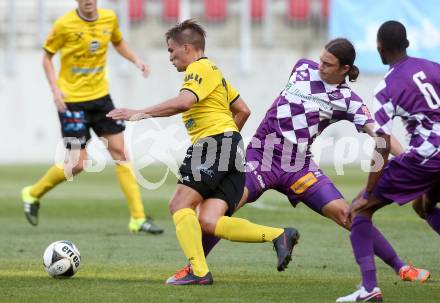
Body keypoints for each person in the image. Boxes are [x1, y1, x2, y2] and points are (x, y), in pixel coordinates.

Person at [167, 38, 429, 286]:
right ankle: (196, 267)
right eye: (321, 60)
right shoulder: (303, 67)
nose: (320, 67)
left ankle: (402, 267)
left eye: (328, 64)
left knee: (347, 214)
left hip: (297, 166)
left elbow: (381, 135)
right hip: (261, 156)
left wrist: (410, 161)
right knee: (217, 212)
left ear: (345, 69)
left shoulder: (349, 102)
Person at [108, 19, 300, 285]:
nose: (170, 56)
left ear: (187, 47)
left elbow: (185, 101)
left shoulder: (198, 68)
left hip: (212, 144)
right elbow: (243, 110)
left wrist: (138, 113)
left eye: (171, 50)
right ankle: (279, 235)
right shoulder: (216, 74)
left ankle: (198, 271)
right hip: (231, 147)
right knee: (209, 221)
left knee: (179, 204)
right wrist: (229, 140)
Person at [21, 0, 163, 235]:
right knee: (78, 163)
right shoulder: (64, 24)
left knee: (121, 153)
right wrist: (55, 90)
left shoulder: (109, 18)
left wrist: (136, 60)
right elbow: (46, 57)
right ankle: (33, 193)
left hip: (100, 98)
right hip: (72, 101)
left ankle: (138, 218)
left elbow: (117, 41)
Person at [336, 21, 439, 302]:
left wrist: (369, 192)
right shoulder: (433, 67)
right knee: (425, 207)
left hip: (425, 157)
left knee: (358, 211)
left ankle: (369, 289)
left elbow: (382, 143)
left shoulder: (387, 86)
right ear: (406, 42)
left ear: (379, 47)